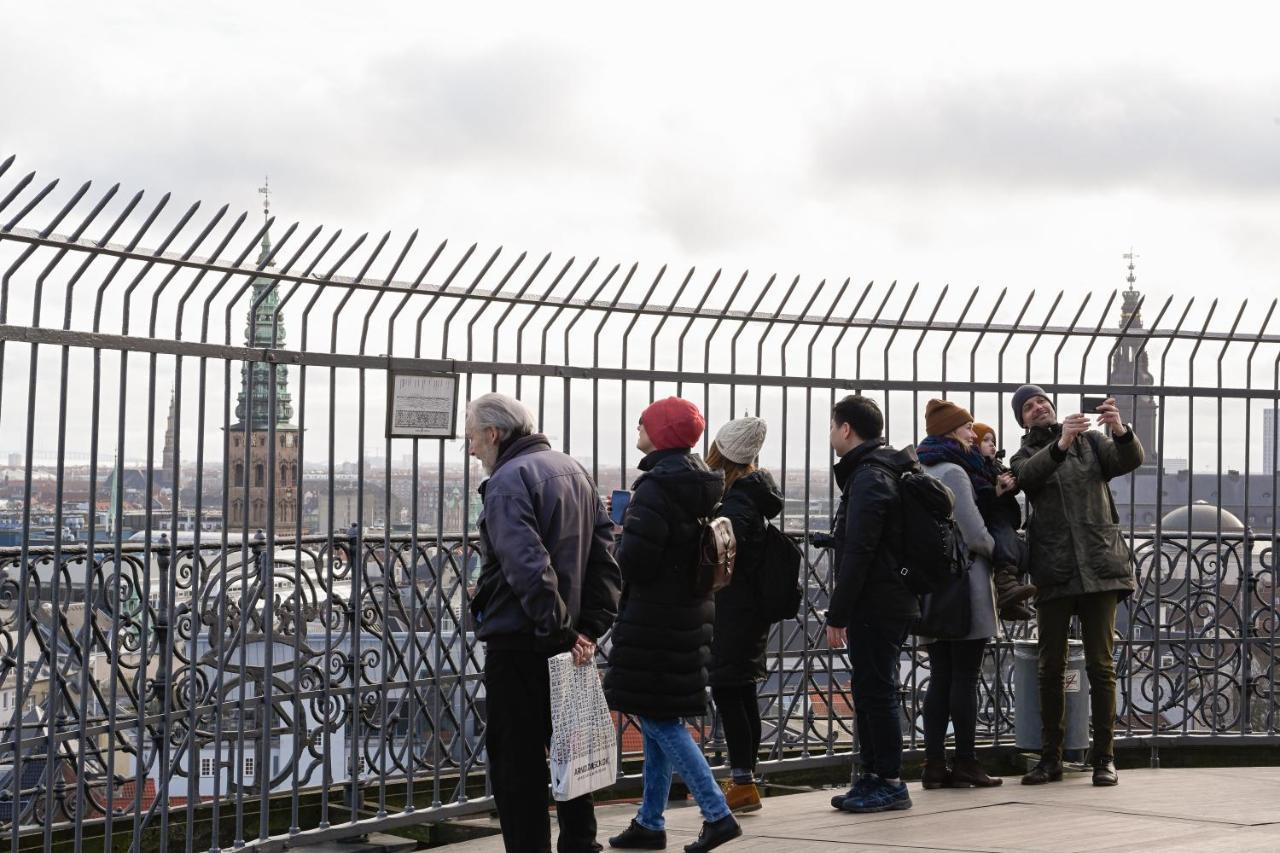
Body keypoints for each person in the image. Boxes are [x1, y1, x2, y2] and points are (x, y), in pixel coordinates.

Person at [466, 392, 623, 853]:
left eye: (472, 438)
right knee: (573, 751)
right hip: (570, 638)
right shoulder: (573, 469)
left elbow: (528, 567)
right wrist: (588, 629)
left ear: (494, 434)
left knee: (517, 763)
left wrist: (561, 631)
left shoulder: (508, 482)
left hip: (523, 640)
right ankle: (580, 844)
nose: (472, 449)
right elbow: (604, 558)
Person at [604, 397, 742, 853]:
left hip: (654, 618)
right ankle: (650, 821)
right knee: (658, 713)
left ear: (659, 434)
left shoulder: (656, 488)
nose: (637, 429)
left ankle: (717, 813)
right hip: (687, 614)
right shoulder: (702, 482)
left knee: (660, 720)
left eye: (643, 423)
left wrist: (623, 531)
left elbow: (636, 563)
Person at [1009, 385, 1143, 788]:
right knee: (1050, 667)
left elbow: (1128, 460)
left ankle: (1104, 757)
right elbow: (1027, 477)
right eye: (1029, 407)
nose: (1038, 408)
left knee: (1102, 666)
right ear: (1022, 420)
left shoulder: (1092, 441)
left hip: (1100, 563)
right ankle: (1050, 758)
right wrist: (1062, 443)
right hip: (1055, 568)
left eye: (1043, 402)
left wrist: (1121, 430)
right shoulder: (1023, 455)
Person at [823, 394, 920, 814]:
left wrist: (837, 612)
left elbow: (861, 549)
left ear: (846, 429)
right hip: (889, 596)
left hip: (877, 601)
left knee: (877, 690)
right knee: (871, 687)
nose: (830, 435)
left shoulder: (868, 476)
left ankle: (890, 781)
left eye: (832, 426)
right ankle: (875, 775)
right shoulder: (884, 468)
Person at [915, 400, 1003, 790]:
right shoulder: (955, 472)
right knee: (965, 677)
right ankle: (966, 762)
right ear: (952, 431)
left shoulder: (921, 468)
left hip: (932, 587)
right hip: (965, 584)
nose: (973, 434)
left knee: (940, 676)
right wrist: (999, 549)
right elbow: (973, 531)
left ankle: (933, 764)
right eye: (967, 428)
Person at [705, 417, 784, 815]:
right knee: (742, 691)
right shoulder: (755, 493)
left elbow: (721, 556)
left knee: (728, 690)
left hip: (734, 609)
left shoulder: (736, 502)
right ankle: (744, 778)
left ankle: (742, 782)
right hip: (750, 608)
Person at [972, 422, 1036, 621]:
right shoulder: (975, 467)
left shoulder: (996, 465)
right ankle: (1007, 589)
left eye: (993, 441)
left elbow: (1014, 485)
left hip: (1006, 521)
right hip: (993, 521)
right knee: (1006, 549)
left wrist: (1012, 483)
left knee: (1021, 552)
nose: (992, 445)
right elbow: (978, 496)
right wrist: (997, 489)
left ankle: (1011, 602)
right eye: (986, 440)